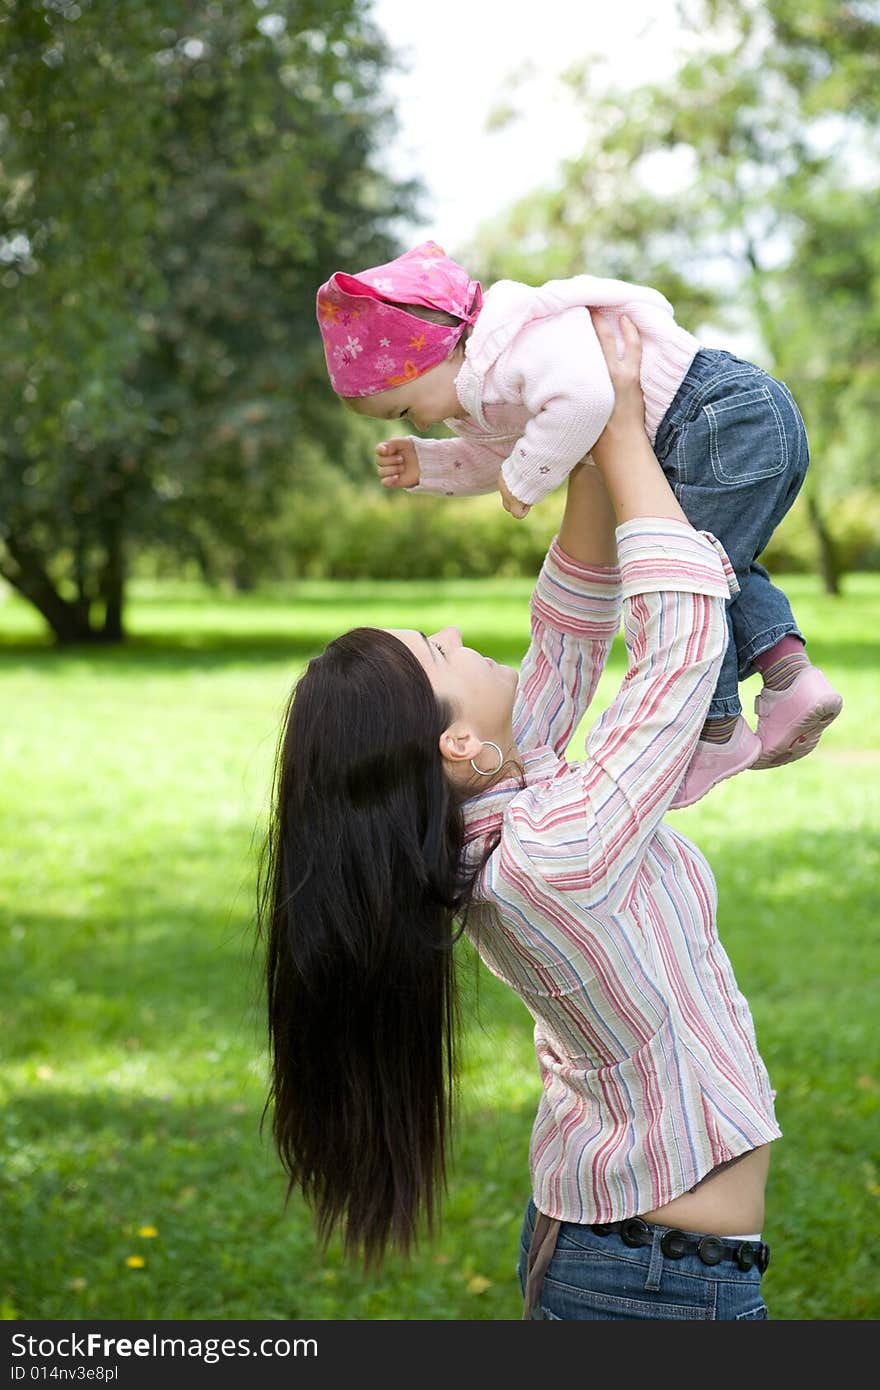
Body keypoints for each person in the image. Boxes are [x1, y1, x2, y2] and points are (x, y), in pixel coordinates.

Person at [258, 316, 781, 1320]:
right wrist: (623, 431)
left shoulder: (504, 808)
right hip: (654, 1287)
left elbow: (572, 624)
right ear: (453, 745)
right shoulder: (547, 861)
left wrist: (582, 413)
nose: (456, 632)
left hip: (639, 1262)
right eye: (437, 650)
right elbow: (673, 657)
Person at [315, 240, 842, 808]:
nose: (421, 420)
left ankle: (716, 730)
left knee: (692, 580)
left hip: (713, 421)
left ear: (431, 355)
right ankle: (790, 673)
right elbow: (505, 447)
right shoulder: (490, 375)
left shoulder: (511, 348)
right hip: (742, 419)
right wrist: (429, 464)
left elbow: (586, 404)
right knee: (719, 564)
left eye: (405, 408)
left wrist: (524, 479)